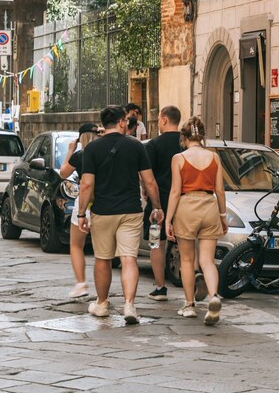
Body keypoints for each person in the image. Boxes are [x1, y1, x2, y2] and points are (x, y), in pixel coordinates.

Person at [76, 106, 164, 324]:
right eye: (126, 120)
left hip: (103, 211)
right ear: (122, 122)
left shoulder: (92, 149)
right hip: (130, 211)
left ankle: (102, 304)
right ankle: (129, 305)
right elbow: (149, 180)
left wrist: (81, 214)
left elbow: (86, 185)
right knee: (129, 259)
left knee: (103, 259)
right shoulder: (135, 146)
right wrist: (157, 207)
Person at [165, 117, 227, 325]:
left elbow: (175, 191)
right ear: (202, 136)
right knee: (207, 261)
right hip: (209, 205)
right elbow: (219, 190)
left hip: (187, 206)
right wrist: (222, 215)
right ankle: (214, 296)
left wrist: (168, 219)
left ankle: (189, 305)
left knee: (187, 260)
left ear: (184, 137)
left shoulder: (179, 158)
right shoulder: (214, 158)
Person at [144, 106, 192, 302]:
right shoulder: (187, 144)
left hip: (159, 205)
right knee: (187, 246)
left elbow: (148, 178)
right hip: (185, 203)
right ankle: (191, 285)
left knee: (156, 244)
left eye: (158, 119)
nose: (157, 123)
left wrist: (151, 199)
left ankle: (160, 287)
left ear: (164, 120)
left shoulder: (153, 145)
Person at [59, 123, 103, 298]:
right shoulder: (104, 152)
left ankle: (81, 283)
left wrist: (71, 149)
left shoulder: (80, 155)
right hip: (105, 201)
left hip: (84, 203)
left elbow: (63, 173)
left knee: (76, 245)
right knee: (103, 250)